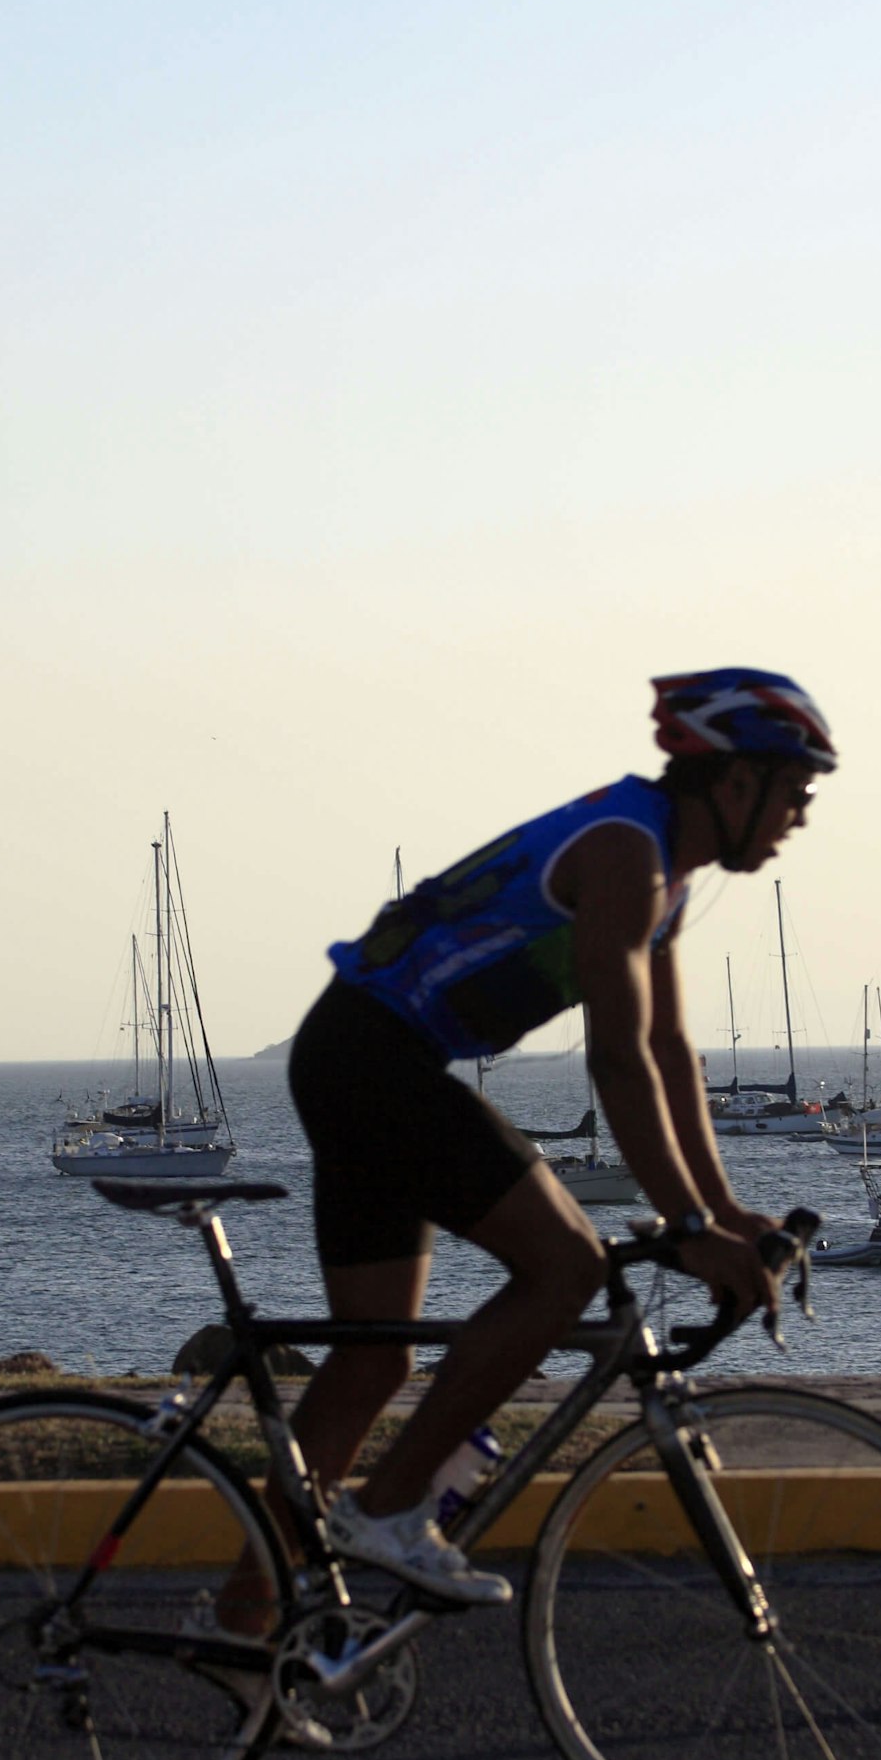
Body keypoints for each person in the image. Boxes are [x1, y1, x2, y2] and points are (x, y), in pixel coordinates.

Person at [256, 666, 833, 1623]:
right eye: (796, 792)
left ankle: (245, 1626)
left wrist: (723, 1211)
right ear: (736, 781)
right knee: (565, 1267)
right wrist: (687, 1225)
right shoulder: (624, 856)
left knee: (371, 1362)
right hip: (374, 1062)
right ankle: (390, 1511)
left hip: (363, 1056)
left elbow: (667, 1047)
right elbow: (615, 1060)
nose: (800, 817)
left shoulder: (662, 871)